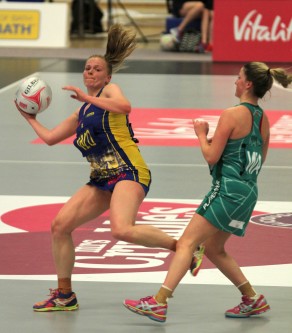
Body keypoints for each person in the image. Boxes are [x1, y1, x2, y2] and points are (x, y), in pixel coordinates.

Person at [15, 24, 178, 312]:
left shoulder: (108, 91)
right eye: (87, 68)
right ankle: (65, 295)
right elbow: (51, 138)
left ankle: (183, 247)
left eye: (96, 69)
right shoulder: (82, 111)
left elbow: (124, 107)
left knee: (121, 229)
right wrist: (29, 116)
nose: (90, 72)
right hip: (101, 179)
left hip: (129, 172)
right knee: (60, 226)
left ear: (107, 76)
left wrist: (87, 96)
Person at [123, 62, 292, 322]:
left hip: (226, 191)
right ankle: (252, 298)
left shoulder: (231, 114)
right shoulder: (263, 119)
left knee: (187, 243)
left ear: (248, 84)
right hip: (248, 192)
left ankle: (159, 301)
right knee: (214, 248)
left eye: (238, 78)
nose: (235, 81)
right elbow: (257, 159)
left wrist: (201, 134)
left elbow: (212, 157)